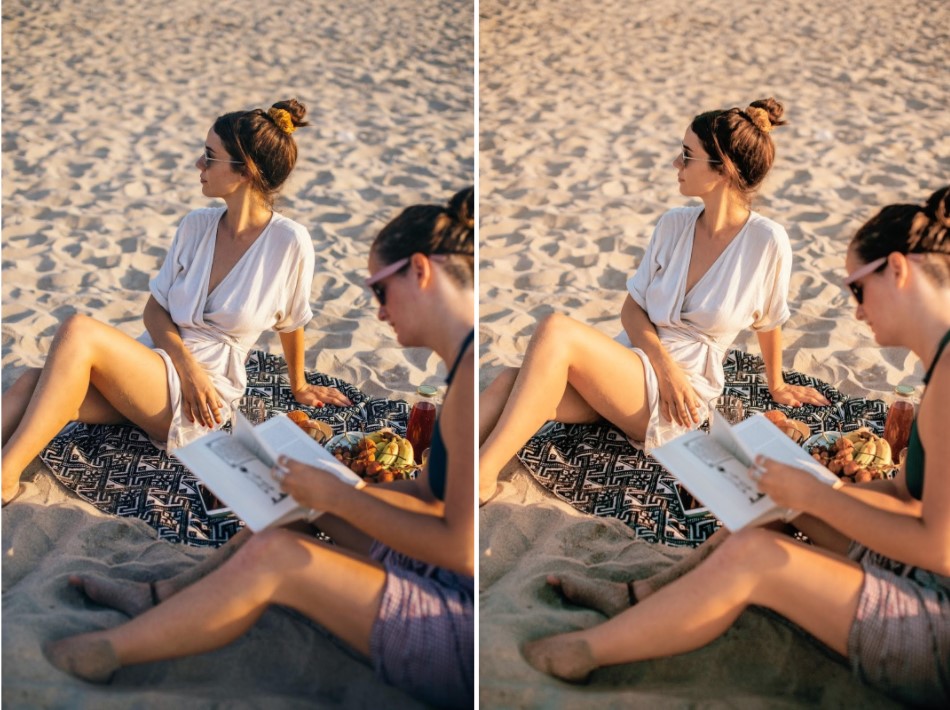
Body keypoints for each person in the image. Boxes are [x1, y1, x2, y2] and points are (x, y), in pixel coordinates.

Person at [44, 188, 476, 709]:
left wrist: (339, 497)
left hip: (456, 622)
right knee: (290, 503)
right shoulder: (464, 370)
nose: (379, 314)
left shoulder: (468, 378)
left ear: (421, 272)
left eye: (379, 292)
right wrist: (338, 486)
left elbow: (460, 550)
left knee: (277, 553)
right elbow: (431, 492)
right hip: (438, 573)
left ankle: (102, 651)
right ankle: (161, 598)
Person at [523, 186, 950, 707]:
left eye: (857, 290)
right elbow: (907, 494)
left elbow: (938, 547)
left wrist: (817, 497)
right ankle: (641, 597)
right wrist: (810, 487)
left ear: (899, 271)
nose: (856, 314)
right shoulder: (940, 372)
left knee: (756, 554)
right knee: (771, 503)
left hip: (932, 619)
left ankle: (581, 651)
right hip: (917, 572)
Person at [1, 98, 351, 505]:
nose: (198, 165)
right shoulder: (196, 225)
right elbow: (155, 309)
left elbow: (292, 321)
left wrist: (300, 384)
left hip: (204, 393)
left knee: (79, 330)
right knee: (30, 380)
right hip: (161, 367)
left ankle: (6, 478)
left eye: (209, 157)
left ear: (246, 170)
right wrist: (185, 367)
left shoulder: (289, 242)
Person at [479, 98, 829, 503]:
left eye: (686, 156)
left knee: (556, 329)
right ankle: (451, 468)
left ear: (723, 169)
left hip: (681, 394)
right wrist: (662, 366)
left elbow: (769, 320)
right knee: (508, 379)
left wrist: (777, 383)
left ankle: (482, 479)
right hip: (636, 367)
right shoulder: (673, 224)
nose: (675, 164)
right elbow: (633, 308)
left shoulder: (766, 241)